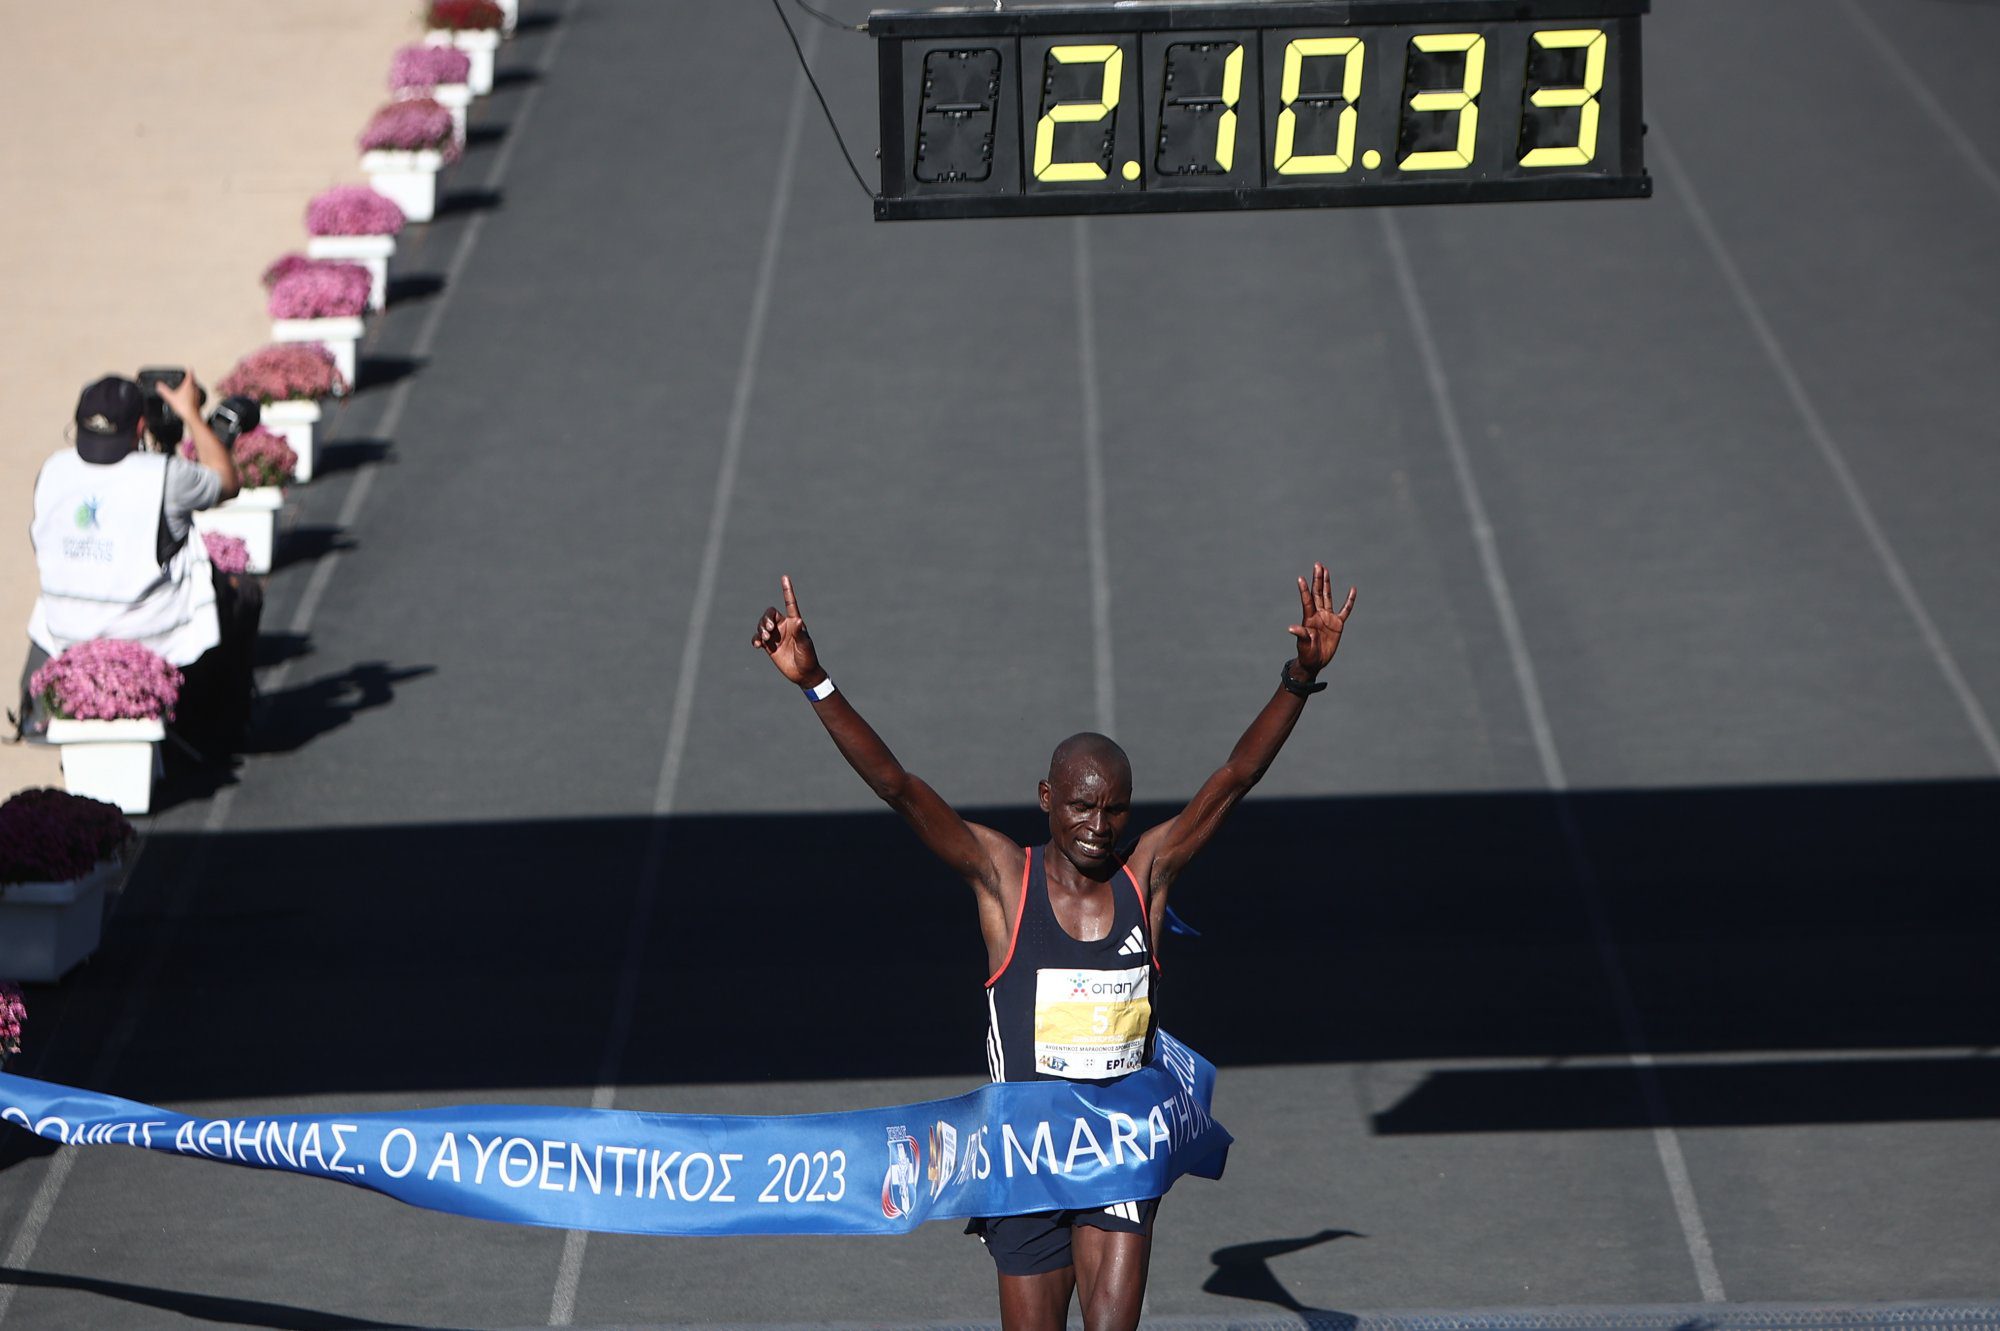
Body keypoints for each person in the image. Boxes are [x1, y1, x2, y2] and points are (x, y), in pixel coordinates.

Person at [752, 564, 1355, 1331]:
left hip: (1119, 1147)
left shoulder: (1148, 877)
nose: (1099, 825)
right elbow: (899, 787)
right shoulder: (1004, 878)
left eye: (1115, 808)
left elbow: (1235, 777)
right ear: (1047, 798)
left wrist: (1300, 675)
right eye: (1081, 805)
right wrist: (816, 682)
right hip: (1025, 1157)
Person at [21, 373, 242, 751]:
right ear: (140, 426)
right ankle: (217, 733)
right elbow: (227, 481)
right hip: (148, 640)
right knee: (239, 592)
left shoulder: (52, 471)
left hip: (66, 638)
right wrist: (189, 413)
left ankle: (36, 713)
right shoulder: (166, 476)